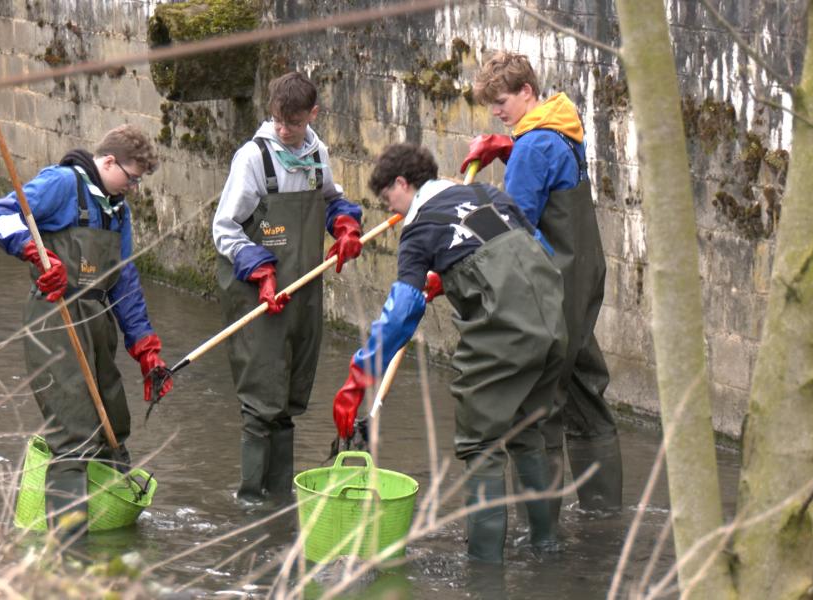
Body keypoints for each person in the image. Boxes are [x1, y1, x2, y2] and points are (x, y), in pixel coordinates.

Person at [332, 143, 567, 563]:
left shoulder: (419, 230)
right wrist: (454, 274)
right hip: (552, 323)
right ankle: (547, 548)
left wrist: (358, 379)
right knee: (529, 431)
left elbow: (402, 312)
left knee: (482, 446)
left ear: (403, 183)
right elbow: (538, 253)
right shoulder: (491, 196)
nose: (395, 211)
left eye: (390, 200)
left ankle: (484, 571)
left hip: (504, 334)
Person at [0, 124, 173, 534]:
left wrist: (145, 347)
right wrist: (33, 251)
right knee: (75, 435)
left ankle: (113, 533)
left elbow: (124, 280)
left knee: (113, 426)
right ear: (108, 162)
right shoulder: (61, 184)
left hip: (97, 321)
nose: (134, 188)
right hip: (55, 318)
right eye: (132, 177)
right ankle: (70, 552)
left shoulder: (116, 210)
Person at [464, 51, 623, 513]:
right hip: (584, 279)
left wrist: (467, 219)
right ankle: (605, 512)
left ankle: (542, 534)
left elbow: (515, 225)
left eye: (501, 101)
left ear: (526, 92)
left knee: (539, 403)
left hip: (551, 285)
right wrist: (507, 147)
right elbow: (551, 178)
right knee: (585, 387)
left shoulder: (532, 147)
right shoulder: (564, 126)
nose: (496, 111)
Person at [213, 72, 363, 504]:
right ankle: (249, 503)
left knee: (290, 400)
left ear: (312, 115)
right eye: (278, 121)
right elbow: (224, 229)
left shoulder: (318, 154)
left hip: (304, 292)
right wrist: (259, 271)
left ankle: (280, 500)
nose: (284, 130)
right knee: (260, 400)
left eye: (293, 123)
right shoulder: (252, 159)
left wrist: (345, 225)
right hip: (258, 293)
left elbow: (331, 200)